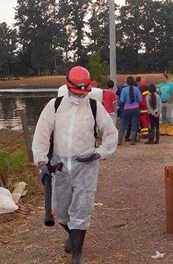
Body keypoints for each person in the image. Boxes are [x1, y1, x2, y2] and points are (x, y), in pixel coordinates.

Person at [32, 66, 118, 264]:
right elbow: (42, 135)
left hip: (85, 166)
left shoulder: (95, 107)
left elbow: (111, 134)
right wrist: (42, 162)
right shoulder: (54, 106)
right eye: (76, 92)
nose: (79, 97)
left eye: (83, 93)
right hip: (60, 165)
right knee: (60, 211)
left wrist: (99, 153)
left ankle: (77, 254)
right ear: (68, 86)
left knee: (82, 209)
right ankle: (72, 234)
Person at [118, 76, 142, 145]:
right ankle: (132, 140)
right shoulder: (137, 89)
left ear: (127, 82)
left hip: (126, 108)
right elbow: (140, 99)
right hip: (135, 108)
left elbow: (121, 100)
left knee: (123, 124)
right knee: (134, 123)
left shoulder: (124, 90)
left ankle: (119, 140)